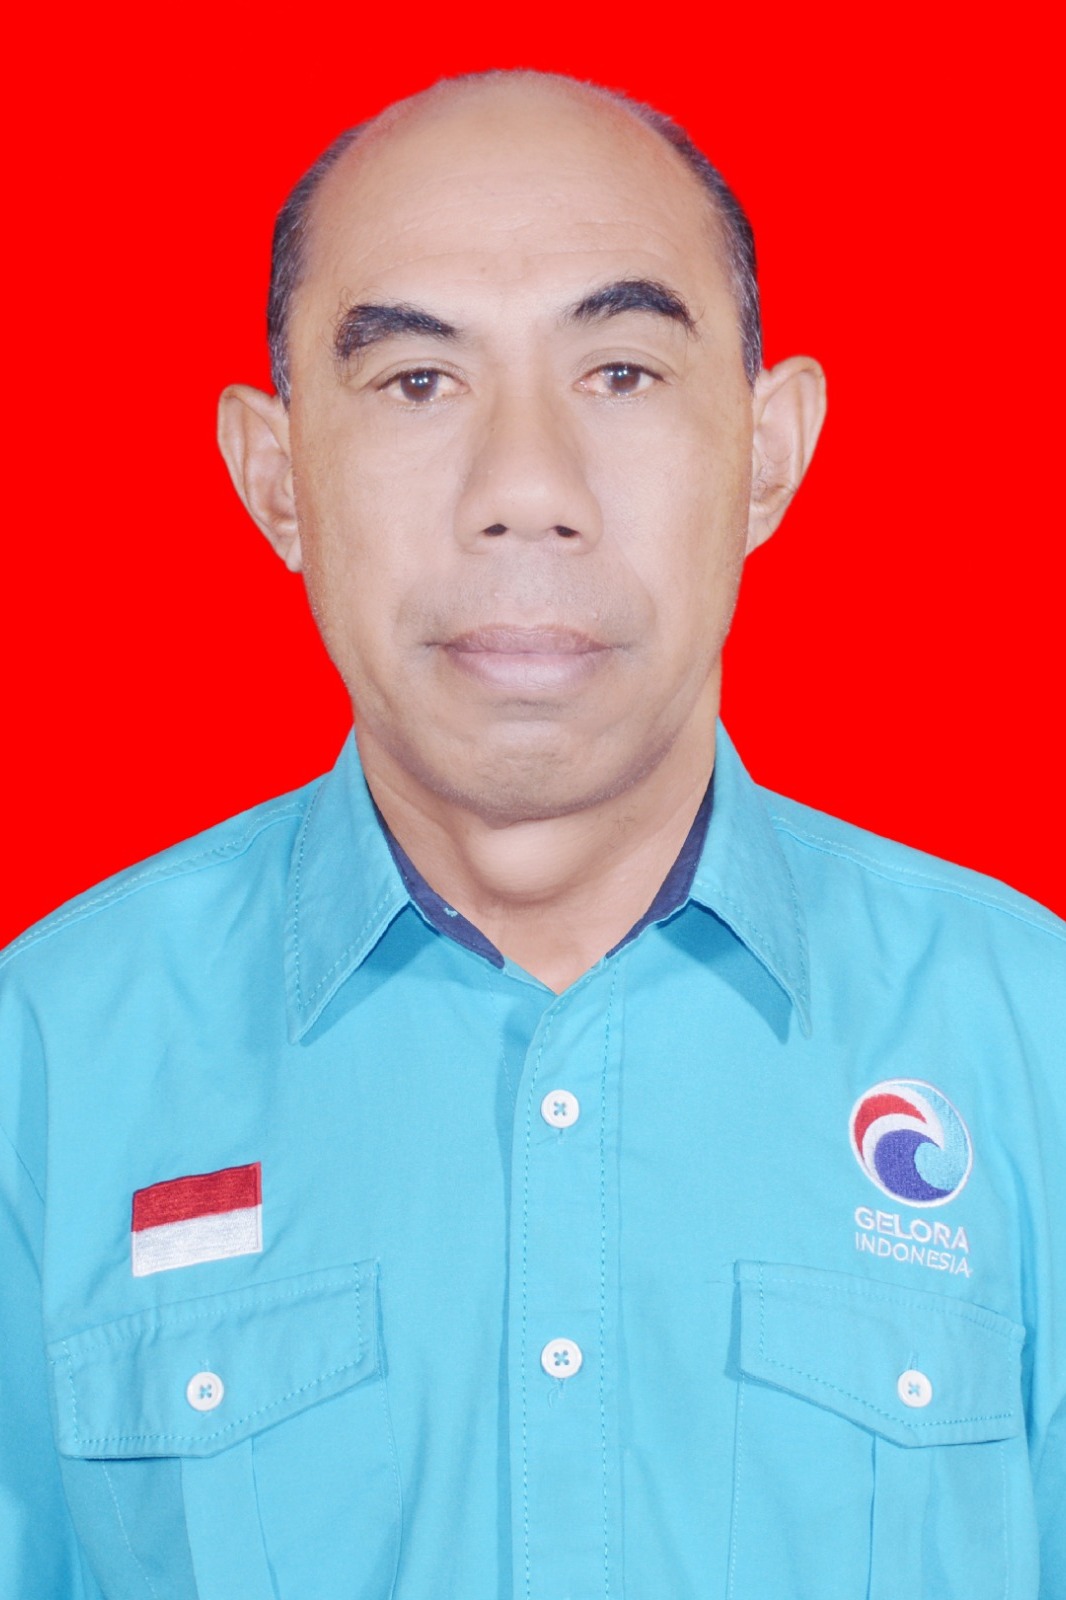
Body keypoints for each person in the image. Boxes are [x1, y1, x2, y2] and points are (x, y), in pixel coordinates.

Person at [1, 67, 1062, 1600]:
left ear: (767, 453)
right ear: (275, 479)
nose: (523, 491)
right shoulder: (49, 1060)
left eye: (619, 372)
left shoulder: (1026, 1034)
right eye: (416, 382)